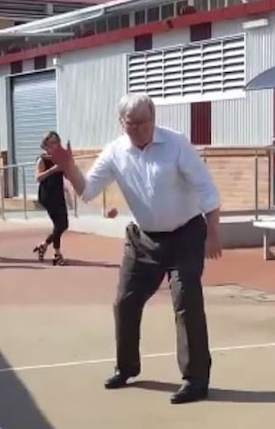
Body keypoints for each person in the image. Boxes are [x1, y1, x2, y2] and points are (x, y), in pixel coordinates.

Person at [48, 92, 223, 404]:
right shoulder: (115, 152)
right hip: (144, 239)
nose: (140, 130)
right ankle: (126, 367)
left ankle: (196, 380)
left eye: (145, 123)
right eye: (132, 124)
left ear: (153, 119)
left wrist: (213, 233)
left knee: (186, 302)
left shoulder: (176, 143)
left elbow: (206, 188)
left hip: (186, 236)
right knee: (125, 302)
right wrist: (69, 167)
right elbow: (88, 191)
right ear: (121, 123)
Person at [33, 131, 70, 266]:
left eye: (57, 142)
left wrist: (67, 165)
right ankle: (57, 254)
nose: (56, 145)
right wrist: (53, 169)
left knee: (62, 225)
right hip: (48, 195)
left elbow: (66, 174)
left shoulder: (59, 158)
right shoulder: (42, 159)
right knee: (60, 225)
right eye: (53, 143)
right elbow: (38, 177)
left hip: (58, 193)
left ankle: (45, 246)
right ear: (46, 145)